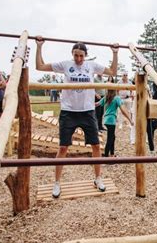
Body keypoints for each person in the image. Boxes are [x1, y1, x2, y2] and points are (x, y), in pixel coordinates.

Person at [35, 36, 119, 198]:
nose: (79, 58)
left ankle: (98, 178)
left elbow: (113, 72)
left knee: (95, 146)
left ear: (85, 55)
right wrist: (39, 46)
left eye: (81, 55)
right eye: (76, 55)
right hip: (68, 111)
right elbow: (40, 66)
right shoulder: (66, 65)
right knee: (63, 148)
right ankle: (57, 183)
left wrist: (114, 53)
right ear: (72, 54)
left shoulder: (91, 66)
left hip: (87, 111)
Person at [99, 89, 134, 157]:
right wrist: (130, 119)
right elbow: (123, 110)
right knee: (110, 138)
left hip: (106, 120)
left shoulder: (106, 97)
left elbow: (97, 104)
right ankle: (106, 156)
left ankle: (112, 154)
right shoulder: (117, 98)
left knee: (112, 137)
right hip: (111, 120)